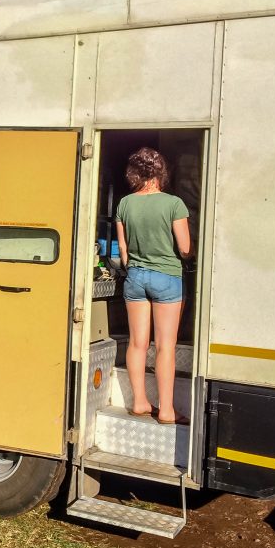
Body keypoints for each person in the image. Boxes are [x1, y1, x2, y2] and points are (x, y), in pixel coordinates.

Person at [115, 147, 191, 424]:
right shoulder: (174, 204)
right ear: (161, 173)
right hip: (167, 278)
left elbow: (123, 251)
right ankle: (167, 410)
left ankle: (139, 403)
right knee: (165, 347)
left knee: (137, 343)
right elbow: (184, 248)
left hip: (134, 277)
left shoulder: (124, 204)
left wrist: (134, 263)